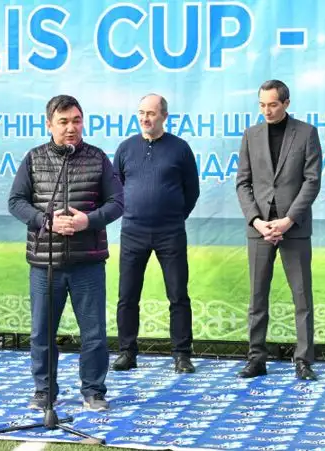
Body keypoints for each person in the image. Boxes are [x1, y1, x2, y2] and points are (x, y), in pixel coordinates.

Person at [8, 94, 123, 411]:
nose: (71, 128)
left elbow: (117, 203)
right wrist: (45, 220)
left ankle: (94, 391)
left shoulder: (98, 158)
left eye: (76, 121)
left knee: (94, 333)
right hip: (45, 263)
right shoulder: (34, 159)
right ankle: (44, 390)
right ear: (49, 124)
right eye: (63, 122)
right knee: (41, 333)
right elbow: (16, 202)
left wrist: (89, 220)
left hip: (88, 262)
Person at [235, 80, 322, 380]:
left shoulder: (307, 133)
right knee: (257, 298)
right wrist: (256, 221)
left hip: (293, 229)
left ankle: (304, 360)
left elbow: (312, 181)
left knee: (302, 298)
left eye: (272, 104)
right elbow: (243, 183)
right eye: (262, 105)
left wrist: (288, 219)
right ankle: (256, 359)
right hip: (259, 229)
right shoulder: (250, 135)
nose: (266, 110)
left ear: (286, 103)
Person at [112, 94, 200, 373]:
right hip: (133, 231)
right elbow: (116, 188)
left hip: (170, 232)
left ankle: (182, 355)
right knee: (127, 296)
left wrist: (174, 216)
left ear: (164, 116)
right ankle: (127, 352)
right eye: (141, 112)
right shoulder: (125, 148)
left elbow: (192, 190)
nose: (145, 118)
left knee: (178, 295)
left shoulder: (180, 148)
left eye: (151, 113)